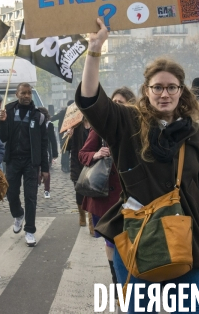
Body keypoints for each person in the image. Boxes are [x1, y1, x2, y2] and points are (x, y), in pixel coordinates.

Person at [77, 18, 199, 313]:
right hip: (136, 238)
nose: (164, 94)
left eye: (171, 87)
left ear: (181, 91)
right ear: (147, 89)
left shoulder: (196, 135)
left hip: (187, 240)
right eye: (157, 87)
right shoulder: (127, 123)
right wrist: (94, 49)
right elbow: (91, 100)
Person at [78, 86, 135, 296]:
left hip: (133, 194)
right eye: (115, 102)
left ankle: (130, 277)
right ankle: (117, 279)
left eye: (122, 102)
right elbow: (83, 154)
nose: (117, 106)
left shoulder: (138, 126)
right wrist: (97, 153)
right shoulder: (99, 127)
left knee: (130, 240)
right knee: (112, 239)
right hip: (108, 196)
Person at [0, 83, 49, 247]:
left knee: (30, 196)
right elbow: (2, 137)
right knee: (10, 192)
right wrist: (3, 122)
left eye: (29, 93)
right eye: (23, 93)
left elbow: (43, 143)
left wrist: (45, 168)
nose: (27, 96)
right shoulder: (8, 111)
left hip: (31, 163)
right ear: (16, 93)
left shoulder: (38, 115)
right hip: (12, 160)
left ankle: (30, 230)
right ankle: (18, 214)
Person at [64, 117, 91, 230]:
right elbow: (67, 148)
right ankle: (81, 215)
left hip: (92, 162)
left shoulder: (96, 124)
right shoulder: (76, 126)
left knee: (92, 192)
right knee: (79, 191)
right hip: (78, 164)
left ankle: (91, 221)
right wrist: (69, 136)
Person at [37, 107, 58, 198]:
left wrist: (54, 153)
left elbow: (53, 140)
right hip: (35, 150)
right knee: (36, 170)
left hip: (46, 151)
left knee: (46, 170)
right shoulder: (33, 123)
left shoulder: (49, 124)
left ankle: (46, 190)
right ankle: (38, 185)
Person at [51, 100, 74, 173]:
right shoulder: (65, 112)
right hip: (66, 134)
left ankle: (65, 166)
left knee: (65, 150)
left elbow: (53, 118)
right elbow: (53, 118)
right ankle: (65, 166)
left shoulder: (63, 112)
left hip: (67, 134)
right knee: (66, 150)